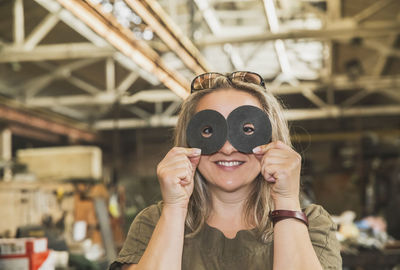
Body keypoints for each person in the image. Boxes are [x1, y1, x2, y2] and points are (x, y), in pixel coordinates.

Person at [110, 72, 342, 270]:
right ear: (189, 142)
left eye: (247, 129)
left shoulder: (312, 223)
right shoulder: (153, 222)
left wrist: (286, 200)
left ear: (272, 140)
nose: (228, 148)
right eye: (210, 131)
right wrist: (175, 208)